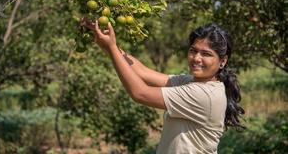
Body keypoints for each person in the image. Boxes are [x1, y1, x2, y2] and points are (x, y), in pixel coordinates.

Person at [82, 19, 245, 154]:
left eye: (206, 54)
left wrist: (111, 47)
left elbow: (140, 93)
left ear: (222, 61)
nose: (196, 58)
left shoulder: (204, 94)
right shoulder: (192, 82)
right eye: (193, 51)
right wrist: (107, 45)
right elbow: (142, 72)